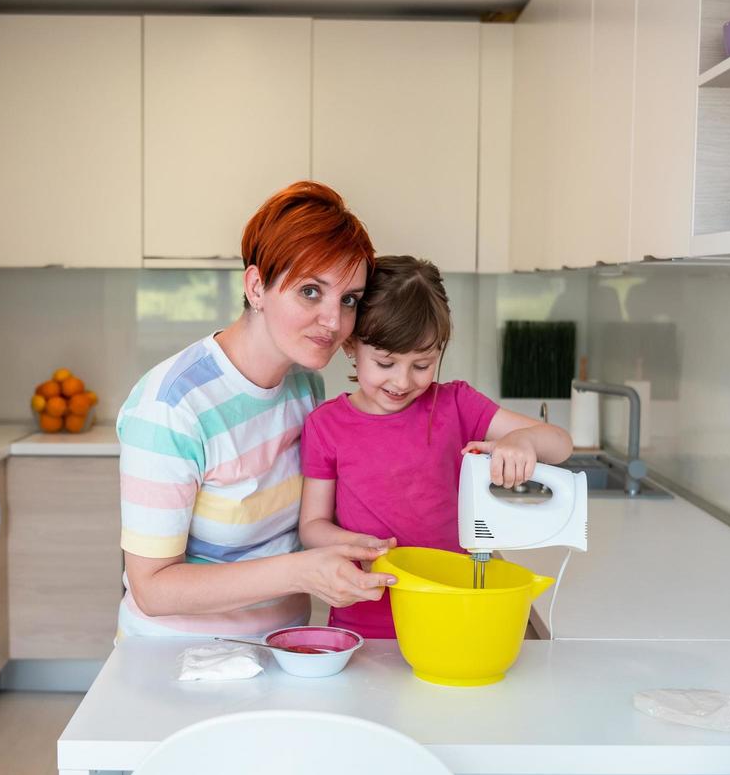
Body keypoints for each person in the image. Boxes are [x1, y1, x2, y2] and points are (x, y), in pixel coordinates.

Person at [115, 182, 397, 638]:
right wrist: (301, 572)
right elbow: (153, 589)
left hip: (283, 646)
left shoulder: (304, 384)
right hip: (177, 659)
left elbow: (304, 524)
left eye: (348, 299)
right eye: (311, 291)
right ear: (257, 285)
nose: (334, 321)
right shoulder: (172, 405)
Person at [298, 255, 573, 639]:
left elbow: (560, 443)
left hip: (454, 613)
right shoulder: (326, 426)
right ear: (351, 346)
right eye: (385, 363)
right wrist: (351, 543)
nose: (402, 381)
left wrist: (523, 440)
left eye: (422, 365)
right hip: (363, 621)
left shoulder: (457, 405)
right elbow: (312, 526)